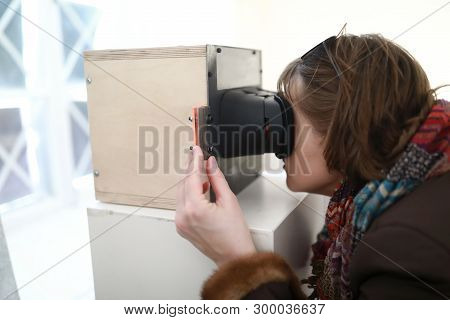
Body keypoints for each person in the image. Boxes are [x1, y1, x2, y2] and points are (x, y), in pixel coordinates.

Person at [175, 33, 450, 299]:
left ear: (343, 131)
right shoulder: (385, 203)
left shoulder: (405, 247)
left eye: (288, 116)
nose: (276, 133)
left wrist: (238, 260)